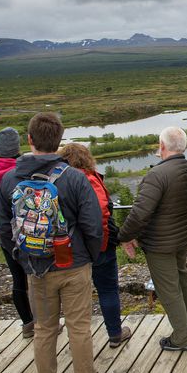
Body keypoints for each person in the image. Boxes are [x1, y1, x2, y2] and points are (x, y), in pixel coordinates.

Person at [0, 113, 112, 373]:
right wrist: (90, 256)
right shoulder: (74, 178)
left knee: (44, 328)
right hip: (74, 264)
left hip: (36, 268)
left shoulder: (10, 179)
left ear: (30, 140)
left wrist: (23, 260)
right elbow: (92, 226)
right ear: (59, 142)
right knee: (79, 326)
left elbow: (3, 227)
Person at [118, 126, 187, 351]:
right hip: (182, 236)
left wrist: (124, 236)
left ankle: (182, 338)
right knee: (182, 276)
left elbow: (140, 213)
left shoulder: (157, 175)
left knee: (168, 289)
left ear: (162, 146)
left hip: (160, 242)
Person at [58, 143, 132, 348]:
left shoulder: (58, 179)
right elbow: (101, 215)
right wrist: (105, 241)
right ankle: (115, 334)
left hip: (70, 248)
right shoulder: (89, 179)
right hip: (98, 246)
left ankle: (78, 341)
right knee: (107, 289)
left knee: (74, 295)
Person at [0, 127, 34, 337]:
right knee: (38, 279)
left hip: (6, 235)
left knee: (18, 280)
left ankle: (28, 324)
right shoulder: (24, 171)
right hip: (32, 231)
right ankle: (47, 324)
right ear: (16, 148)